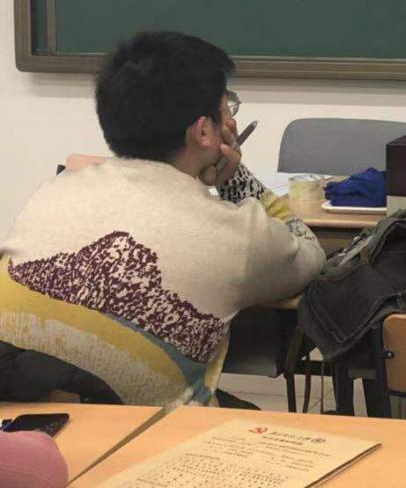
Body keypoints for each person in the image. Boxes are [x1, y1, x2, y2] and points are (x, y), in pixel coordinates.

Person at [0, 31, 325, 410]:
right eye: (227, 110)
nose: (230, 121)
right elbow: (309, 255)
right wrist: (236, 177)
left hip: (21, 418)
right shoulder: (236, 236)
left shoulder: (53, 192)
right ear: (204, 131)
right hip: (142, 433)